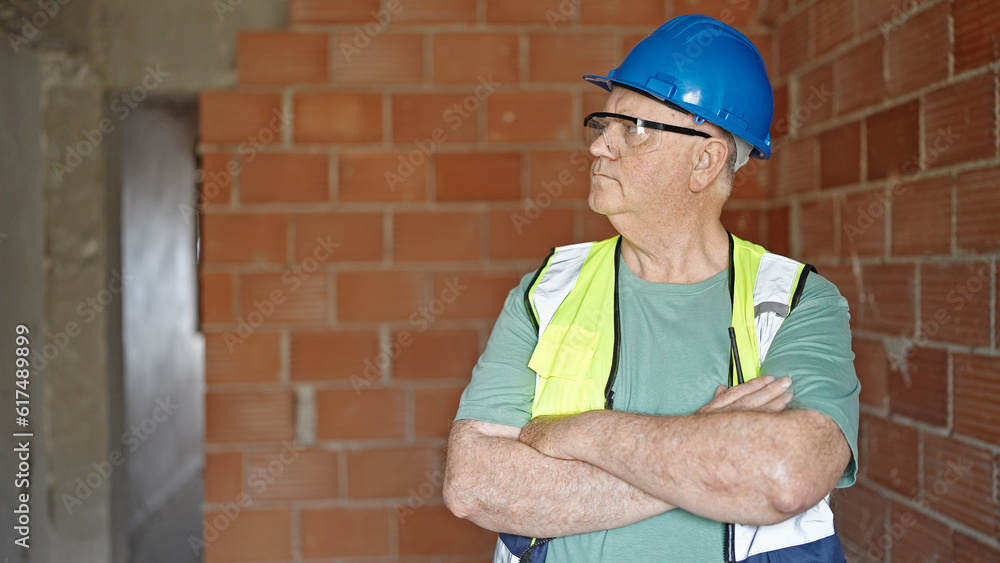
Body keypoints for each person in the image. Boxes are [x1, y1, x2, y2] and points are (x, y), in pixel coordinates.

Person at [442, 14, 859, 563]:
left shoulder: (795, 301)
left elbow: (784, 477)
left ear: (704, 161)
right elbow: (474, 485)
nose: (599, 147)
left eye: (634, 129)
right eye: (603, 124)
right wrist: (705, 446)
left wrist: (576, 433)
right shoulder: (547, 290)